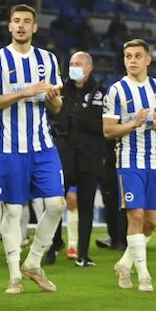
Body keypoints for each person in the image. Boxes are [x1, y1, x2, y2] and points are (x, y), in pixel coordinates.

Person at [0, 4, 65, 294]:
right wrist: (25, 92)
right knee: (13, 211)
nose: (21, 26)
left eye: (26, 22)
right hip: (9, 147)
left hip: (42, 145)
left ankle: (34, 263)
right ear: (9, 26)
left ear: (34, 28)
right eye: (16, 21)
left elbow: (57, 106)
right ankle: (14, 275)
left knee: (57, 205)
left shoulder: (48, 60)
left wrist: (51, 97)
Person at [105, 39, 156, 292]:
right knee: (135, 216)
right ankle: (144, 275)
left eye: (137, 56)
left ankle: (125, 263)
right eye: (128, 56)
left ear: (148, 59)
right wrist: (133, 124)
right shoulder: (116, 90)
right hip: (128, 161)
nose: (132, 61)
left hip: (154, 161)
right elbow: (108, 130)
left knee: (152, 221)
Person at [53, 51, 107, 266]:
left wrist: (79, 117)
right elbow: (55, 118)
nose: (74, 66)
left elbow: (101, 126)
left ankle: (83, 254)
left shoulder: (101, 93)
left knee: (86, 206)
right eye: (72, 63)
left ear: (89, 68)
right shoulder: (60, 90)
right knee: (56, 203)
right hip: (64, 153)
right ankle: (53, 244)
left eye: (79, 63)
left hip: (90, 155)